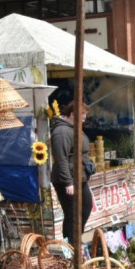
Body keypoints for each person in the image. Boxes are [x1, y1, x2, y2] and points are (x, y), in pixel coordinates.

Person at [50, 100, 94, 246]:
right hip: (67, 180)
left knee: (86, 207)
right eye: (82, 115)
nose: (84, 119)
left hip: (79, 178)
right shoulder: (62, 131)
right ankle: (71, 246)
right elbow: (61, 159)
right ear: (73, 114)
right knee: (72, 214)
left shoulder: (73, 128)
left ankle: (75, 240)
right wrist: (67, 182)